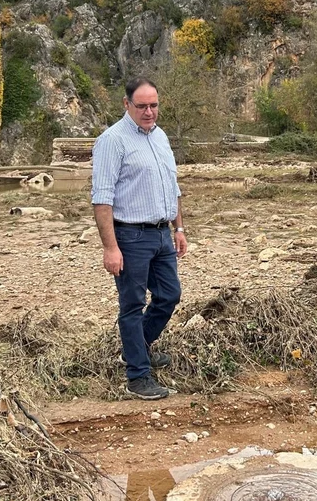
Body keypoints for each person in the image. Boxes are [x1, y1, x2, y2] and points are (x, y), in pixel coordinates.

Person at [91, 77, 188, 401]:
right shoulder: (112, 140)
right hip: (130, 236)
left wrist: (179, 229)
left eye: (154, 105)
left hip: (162, 233)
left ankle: (137, 348)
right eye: (142, 106)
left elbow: (172, 187)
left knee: (169, 295)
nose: (149, 112)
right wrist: (110, 247)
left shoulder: (160, 136)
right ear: (126, 104)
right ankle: (138, 376)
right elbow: (102, 198)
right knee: (132, 304)